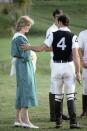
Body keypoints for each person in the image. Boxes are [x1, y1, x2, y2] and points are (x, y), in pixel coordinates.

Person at [21, 15, 81, 129]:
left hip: (56, 67)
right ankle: (73, 123)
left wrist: (29, 47)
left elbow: (41, 48)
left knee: (57, 96)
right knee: (70, 96)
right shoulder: (73, 36)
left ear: (59, 22)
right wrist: (78, 72)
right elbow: (76, 55)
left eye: (57, 22)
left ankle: (58, 122)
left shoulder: (53, 34)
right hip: (68, 66)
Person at [11, 16, 39, 128]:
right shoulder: (21, 38)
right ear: (22, 25)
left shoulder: (16, 36)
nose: (29, 28)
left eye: (29, 26)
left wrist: (29, 52)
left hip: (20, 66)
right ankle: (26, 121)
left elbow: (17, 53)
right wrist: (32, 54)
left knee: (21, 90)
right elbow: (25, 55)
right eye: (28, 25)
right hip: (24, 67)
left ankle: (18, 120)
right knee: (26, 91)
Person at [46, 9, 69, 121]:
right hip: (55, 61)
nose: (60, 18)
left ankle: (59, 113)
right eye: (58, 16)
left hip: (66, 62)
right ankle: (53, 114)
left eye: (61, 16)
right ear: (54, 18)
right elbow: (47, 47)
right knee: (54, 86)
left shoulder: (66, 28)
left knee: (62, 87)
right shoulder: (51, 30)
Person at [78, 30, 87, 117]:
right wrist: (82, 61)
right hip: (86, 64)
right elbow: (79, 48)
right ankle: (85, 110)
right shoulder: (83, 33)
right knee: (85, 88)